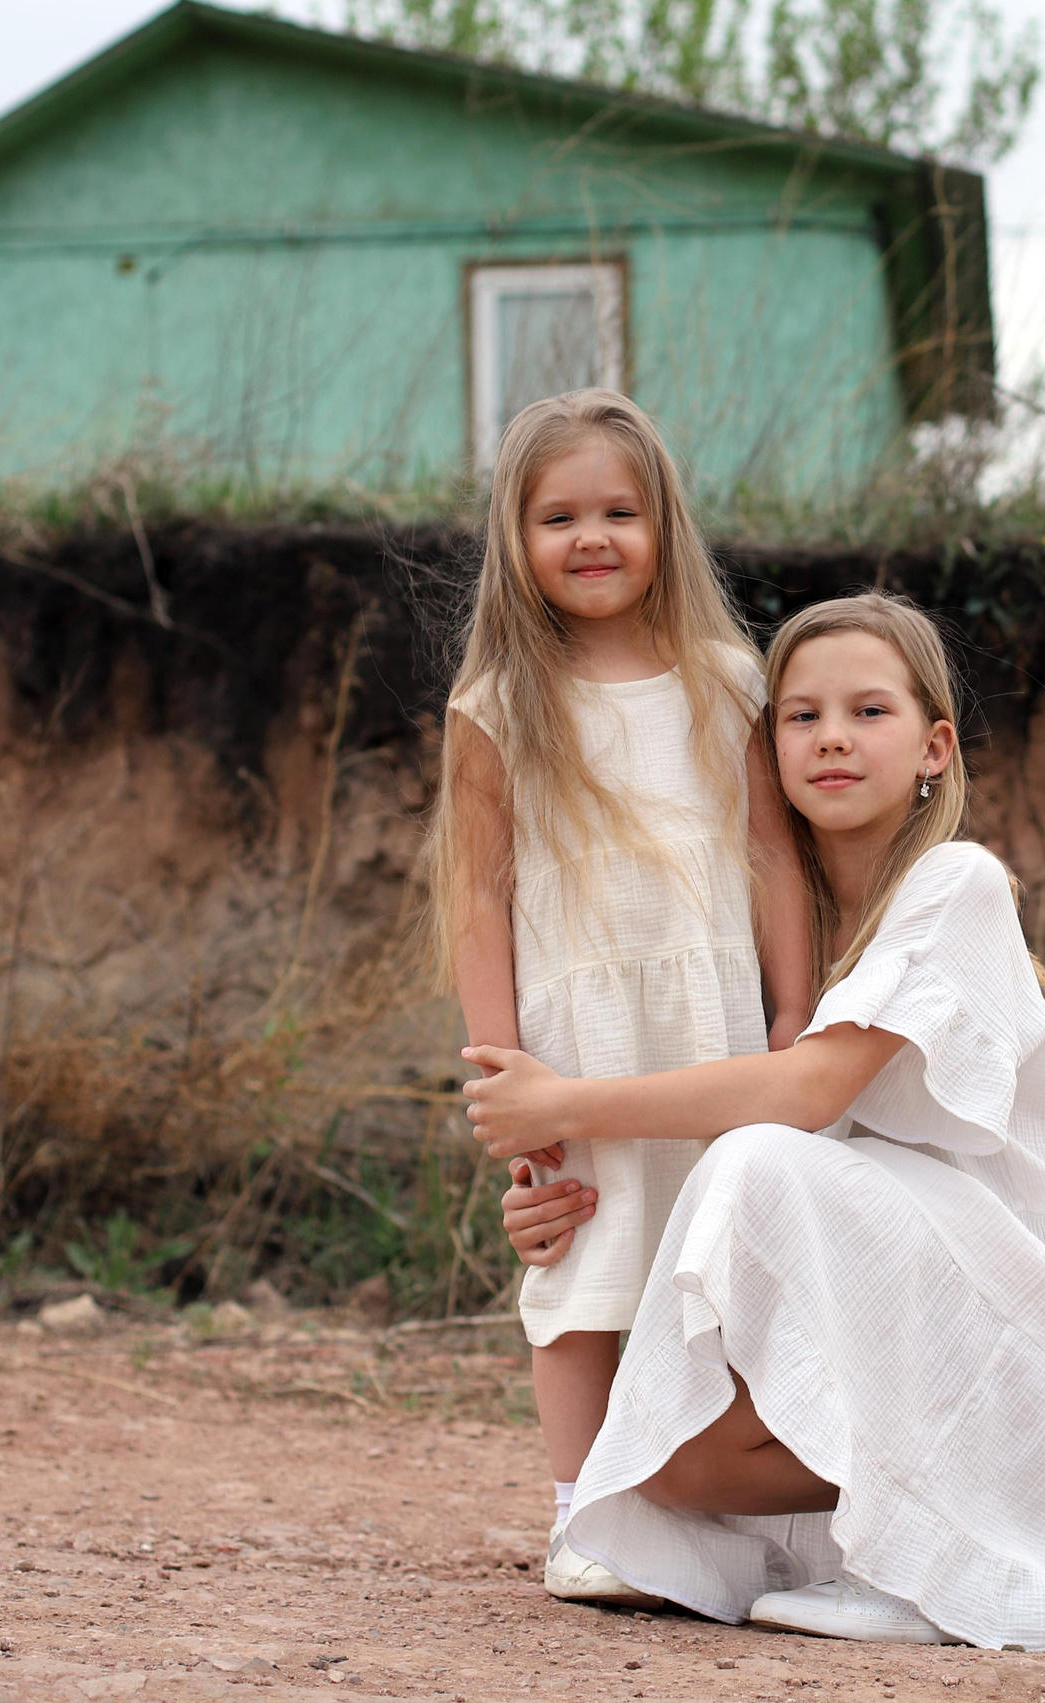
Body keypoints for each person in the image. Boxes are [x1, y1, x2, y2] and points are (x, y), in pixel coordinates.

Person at [466, 593, 1045, 1654]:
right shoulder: (773, 931)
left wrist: (563, 1105)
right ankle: (931, 1525)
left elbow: (806, 1093)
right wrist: (556, 1187)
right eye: (801, 715)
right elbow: (704, 1108)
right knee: (671, 1468)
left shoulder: (958, 883)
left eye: (869, 712)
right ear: (766, 746)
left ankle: (975, 1522)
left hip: (1022, 1300)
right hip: (891, 1286)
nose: (832, 736)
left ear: (934, 748)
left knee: (759, 1159)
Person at [429, 388, 814, 1606]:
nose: (591, 537)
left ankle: (716, 1516)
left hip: (711, 1028)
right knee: (583, 1262)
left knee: (716, 1265)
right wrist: (503, 1070)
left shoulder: (726, 680)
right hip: (576, 1041)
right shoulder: (497, 707)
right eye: (558, 517)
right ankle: (581, 1519)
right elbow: (478, 898)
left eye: (619, 512)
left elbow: (770, 855)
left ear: (663, 527)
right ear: (516, 538)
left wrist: (791, 1014)